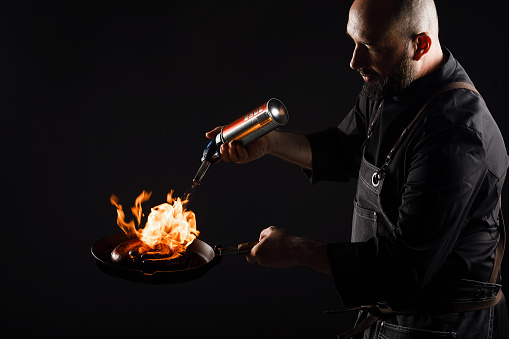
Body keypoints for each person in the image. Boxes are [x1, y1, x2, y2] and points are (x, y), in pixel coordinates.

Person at [207, 0, 509, 337]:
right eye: (353, 41)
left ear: (419, 45)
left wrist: (296, 249)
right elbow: (342, 148)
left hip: (441, 326)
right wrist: (269, 143)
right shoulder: (391, 82)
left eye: (369, 46)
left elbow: (403, 268)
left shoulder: (455, 135)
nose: (354, 61)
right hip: (385, 310)